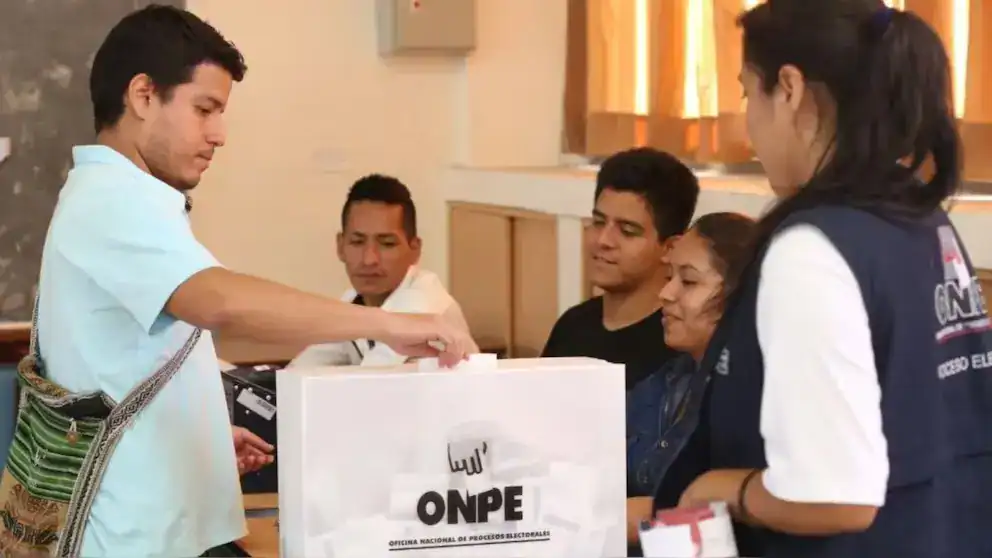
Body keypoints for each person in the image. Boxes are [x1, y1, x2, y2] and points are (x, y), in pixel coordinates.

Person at [0, 6, 472, 558]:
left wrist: (192, 430)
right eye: (204, 110)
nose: (219, 134)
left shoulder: (125, 199)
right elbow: (218, 301)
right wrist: (387, 323)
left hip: (163, 522)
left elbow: (127, 357)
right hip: (137, 540)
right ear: (143, 95)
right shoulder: (112, 203)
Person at [675, 2, 992, 557]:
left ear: (791, 88)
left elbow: (835, 500)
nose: (748, 124)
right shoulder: (921, 219)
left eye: (749, 93)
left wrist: (719, 487)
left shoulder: (813, 250)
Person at [624, 213, 755, 551]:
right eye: (669, 277)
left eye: (689, 281)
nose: (666, 293)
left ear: (739, 296)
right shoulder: (666, 381)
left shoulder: (752, 400)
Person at [541, 147, 700, 389]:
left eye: (627, 231)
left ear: (670, 248)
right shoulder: (572, 326)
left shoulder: (679, 347)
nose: (603, 240)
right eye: (598, 222)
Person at [289, 174, 476, 368]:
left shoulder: (423, 302)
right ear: (340, 246)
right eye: (357, 242)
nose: (369, 259)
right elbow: (305, 367)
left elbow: (371, 377)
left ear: (415, 250)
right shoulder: (352, 300)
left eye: (387, 244)